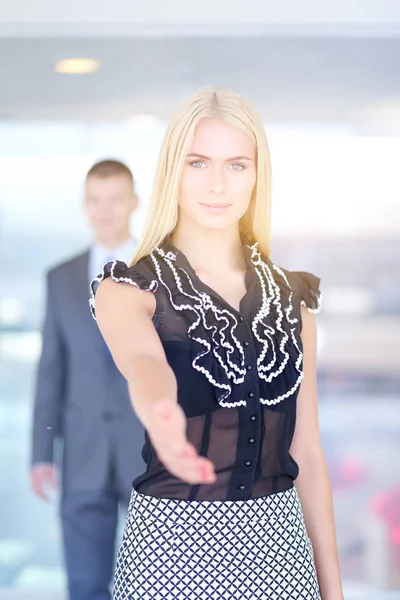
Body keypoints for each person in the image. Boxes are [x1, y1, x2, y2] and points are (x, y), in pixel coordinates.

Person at [90, 89, 344, 599]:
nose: (216, 184)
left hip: (281, 556)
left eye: (236, 165)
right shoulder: (129, 288)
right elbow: (143, 363)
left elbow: (308, 456)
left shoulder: (293, 299)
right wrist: (162, 414)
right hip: (169, 555)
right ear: (172, 172)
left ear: (257, 175)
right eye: (198, 162)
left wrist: (332, 591)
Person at [31, 160, 145, 600]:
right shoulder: (60, 278)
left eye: (116, 198)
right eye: (96, 200)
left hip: (148, 451)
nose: (106, 210)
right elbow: (51, 370)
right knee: (84, 584)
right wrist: (42, 453)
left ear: (134, 203)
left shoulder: (164, 274)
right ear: (84, 205)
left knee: (155, 583)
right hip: (82, 454)